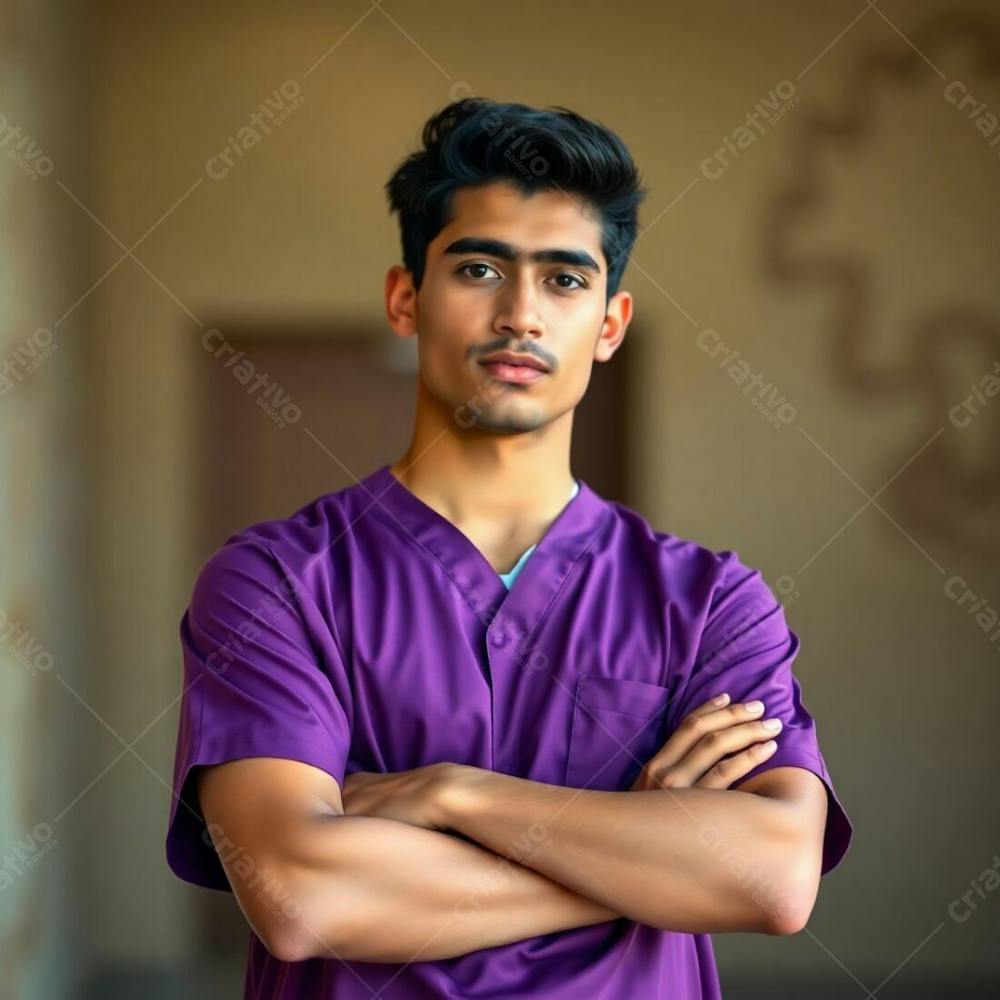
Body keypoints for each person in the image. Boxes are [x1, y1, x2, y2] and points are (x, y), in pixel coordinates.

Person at [165, 97, 853, 998]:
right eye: (481, 268)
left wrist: (455, 795)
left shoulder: (712, 602)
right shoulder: (276, 583)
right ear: (405, 298)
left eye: (566, 279)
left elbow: (773, 878)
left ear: (610, 324)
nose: (521, 313)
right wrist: (640, 849)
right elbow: (302, 897)